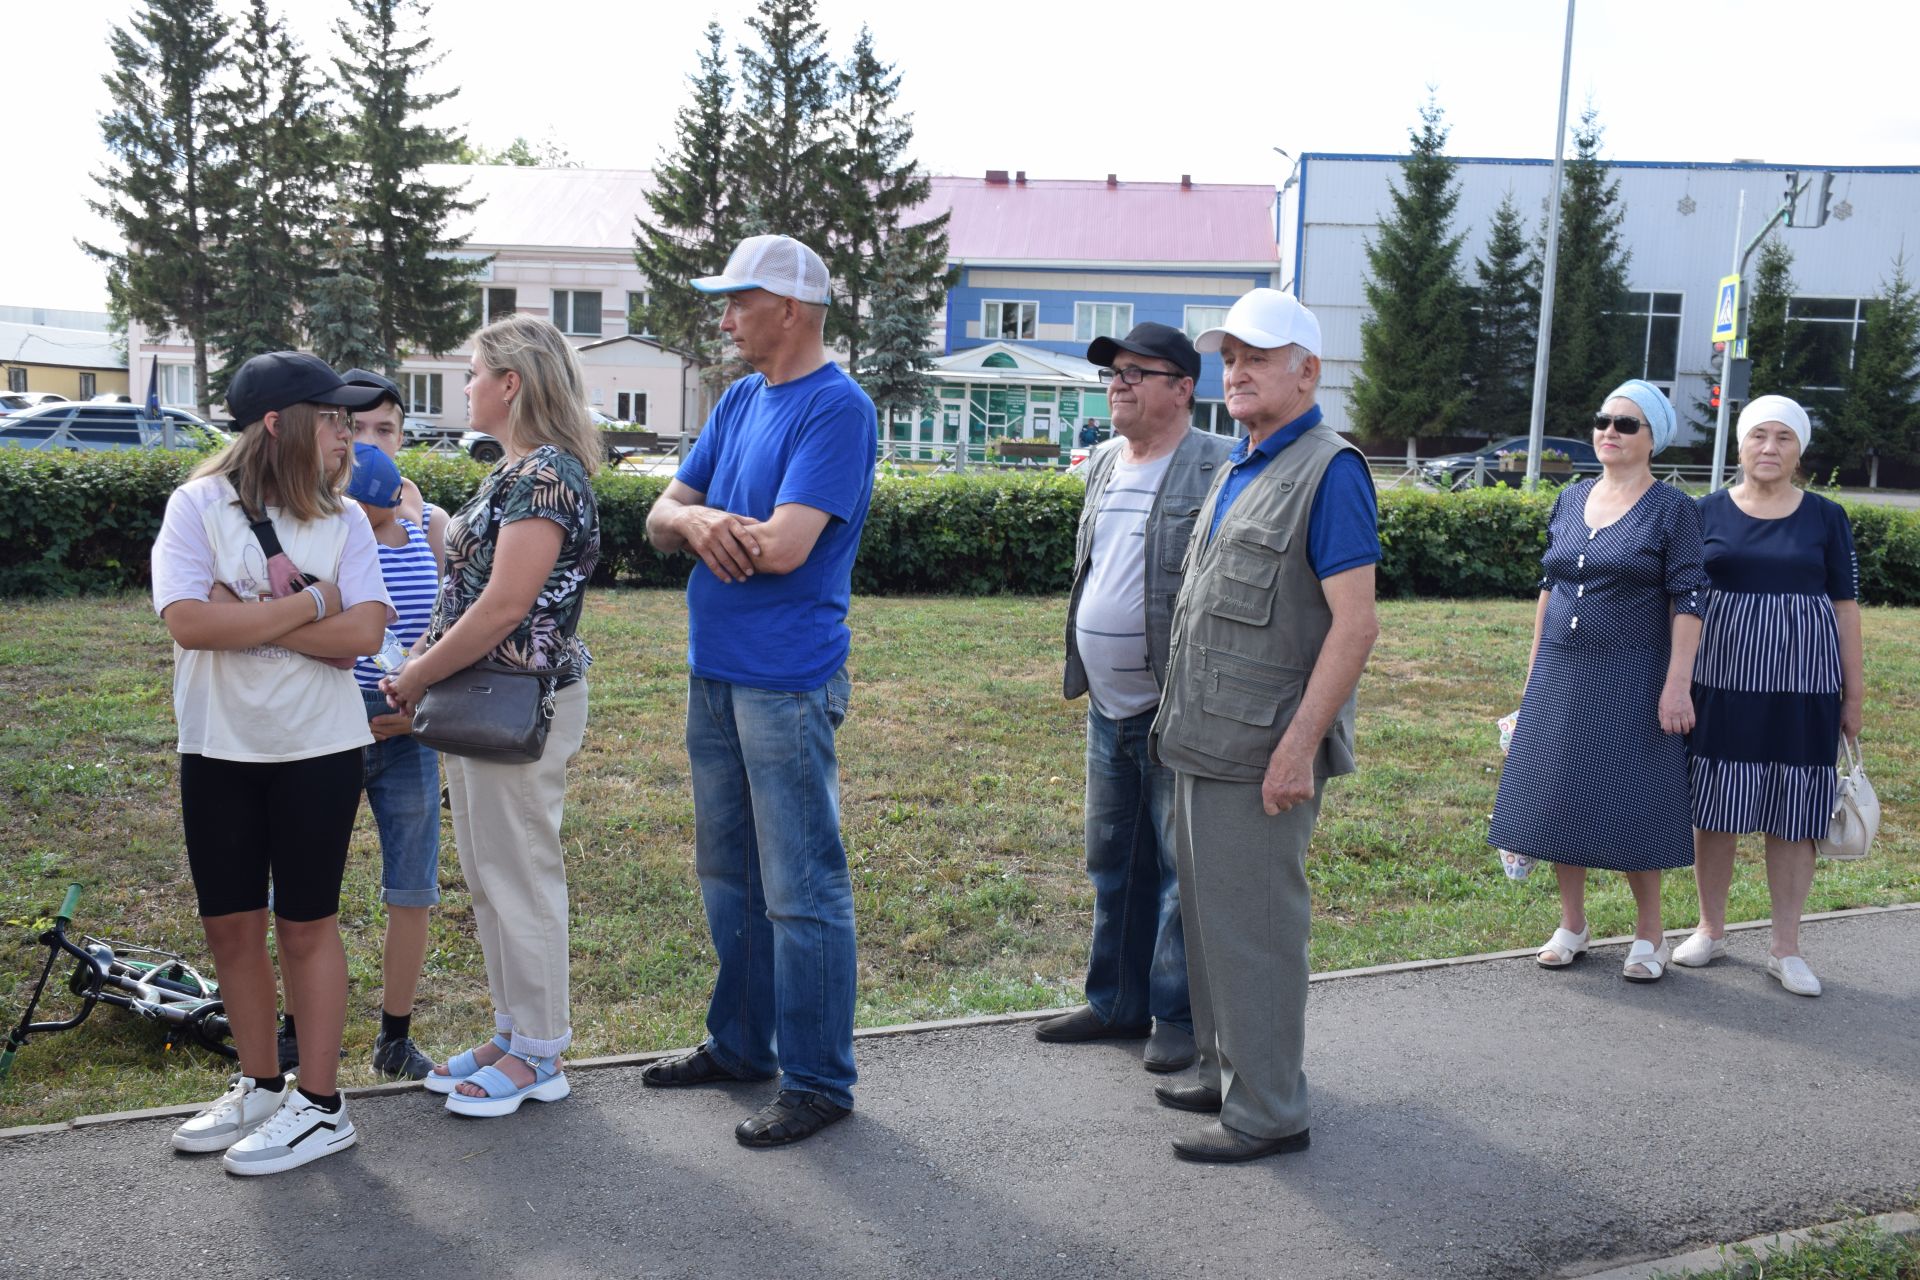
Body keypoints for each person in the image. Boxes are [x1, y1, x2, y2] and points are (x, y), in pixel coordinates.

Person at [642, 234, 876, 1147]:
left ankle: (818, 1080)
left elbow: (782, 547)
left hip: (786, 681)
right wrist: (701, 520)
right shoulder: (741, 399)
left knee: (802, 884)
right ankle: (742, 1044)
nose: (727, 315)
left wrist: (704, 525)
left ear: (794, 309)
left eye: (742, 300)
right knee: (728, 876)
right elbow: (662, 513)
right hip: (718, 670)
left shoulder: (837, 409)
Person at [1148, 289, 1380, 1163]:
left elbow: (1354, 626)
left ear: (1307, 371)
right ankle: (1224, 1067)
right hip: (1203, 735)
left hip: (1261, 752)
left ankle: (1270, 1110)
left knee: (1256, 930)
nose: (1237, 371)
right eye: (1230, 356)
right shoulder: (1242, 461)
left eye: (1259, 356)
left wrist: (1296, 750)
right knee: (1211, 923)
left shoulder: (1331, 470)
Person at [150, 351, 391, 1174]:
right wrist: (315, 603)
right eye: (331, 418)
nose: (347, 434)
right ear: (278, 425)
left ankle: (321, 1106)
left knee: (304, 924)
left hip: (318, 751)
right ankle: (259, 1084)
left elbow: (361, 640)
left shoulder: (346, 519)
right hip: (218, 746)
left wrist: (251, 611)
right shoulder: (196, 506)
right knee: (229, 926)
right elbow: (188, 623)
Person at [383, 313, 601, 1117]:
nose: (465, 385)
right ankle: (514, 1033)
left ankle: (542, 1052)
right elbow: (482, 578)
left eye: (474, 372)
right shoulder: (515, 471)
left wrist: (415, 674)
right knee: (488, 875)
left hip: (515, 703)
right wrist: (431, 523)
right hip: (483, 700)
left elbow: (506, 606)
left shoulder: (546, 477)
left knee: (520, 875)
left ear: (511, 383)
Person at [1037, 322, 1229, 1073]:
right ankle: (1116, 1001)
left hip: (1175, 708)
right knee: (1113, 858)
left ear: (1183, 388)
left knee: (1183, 869)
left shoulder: (1218, 463)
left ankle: (1176, 1014)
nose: (1118, 383)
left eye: (1136, 373)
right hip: (1107, 706)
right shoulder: (1108, 462)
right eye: (1113, 373)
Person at [1489, 380, 1707, 982]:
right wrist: (1534, 674)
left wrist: (1677, 684)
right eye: (1603, 419)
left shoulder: (1673, 509)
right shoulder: (1572, 496)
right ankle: (1573, 924)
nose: (1610, 430)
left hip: (1633, 670)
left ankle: (1650, 933)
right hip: (1561, 668)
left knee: (1633, 797)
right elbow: (1549, 588)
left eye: (1626, 424)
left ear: (1652, 439)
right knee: (1559, 793)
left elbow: (1690, 600)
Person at [1675, 395, 1864, 996]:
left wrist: (1853, 695)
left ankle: (1786, 947)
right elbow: (1681, 601)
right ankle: (1710, 928)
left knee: (1795, 812)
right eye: (1759, 436)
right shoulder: (1702, 512)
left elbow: (1845, 608)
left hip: (1804, 688)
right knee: (1718, 805)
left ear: (1799, 451)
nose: (1770, 448)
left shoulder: (1826, 516)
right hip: (1722, 684)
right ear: (1739, 445)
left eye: (1784, 437)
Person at [343, 441, 445, 1078]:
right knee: (310, 891)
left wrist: (418, 709)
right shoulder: (331, 539)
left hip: (408, 730)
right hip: (335, 729)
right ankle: (297, 1032)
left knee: (412, 889)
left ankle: (394, 1038)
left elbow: (446, 620)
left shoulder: (414, 534)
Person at [342, 367, 447, 565]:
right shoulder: (300, 510)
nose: (369, 441)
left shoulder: (431, 522)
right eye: (355, 428)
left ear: (399, 439)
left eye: (383, 430)